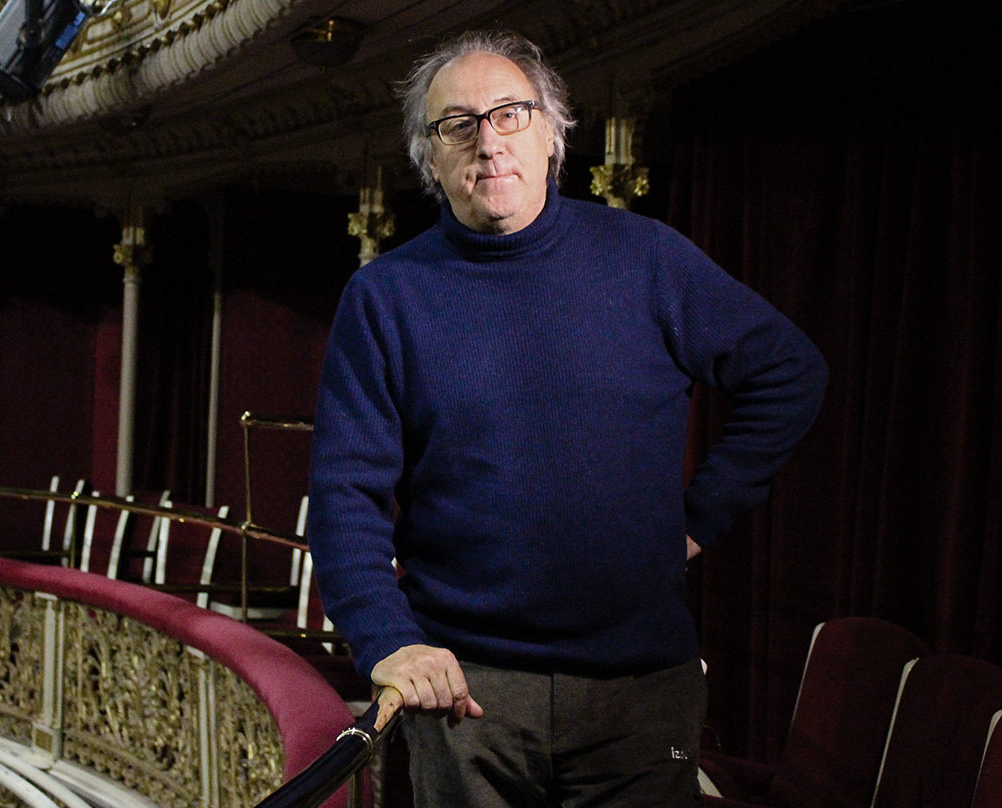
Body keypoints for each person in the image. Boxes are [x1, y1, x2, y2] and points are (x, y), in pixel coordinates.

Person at [306, 29, 827, 808]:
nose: (488, 141)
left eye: (510, 113)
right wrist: (389, 641)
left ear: (552, 133)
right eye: (459, 124)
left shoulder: (648, 258)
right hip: (467, 692)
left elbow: (789, 371)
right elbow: (345, 495)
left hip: (639, 689)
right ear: (430, 155)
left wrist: (699, 516)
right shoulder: (385, 297)